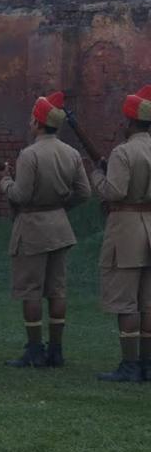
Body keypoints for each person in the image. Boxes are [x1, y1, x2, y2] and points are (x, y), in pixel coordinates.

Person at [0, 92, 91, 368]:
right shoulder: (71, 153)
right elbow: (84, 193)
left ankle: (35, 349)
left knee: (31, 290)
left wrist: (5, 182)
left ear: (37, 122)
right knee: (58, 290)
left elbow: (21, 195)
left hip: (33, 228)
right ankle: (57, 350)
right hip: (60, 226)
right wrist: (60, 208)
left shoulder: (29, 154)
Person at [91, 85, 151, 382]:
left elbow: (114, 192)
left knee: (127, 302)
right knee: (148, 301)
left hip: (126, 230)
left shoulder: (123, 151)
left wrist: (98, 176)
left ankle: (129, 365)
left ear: (129, 121)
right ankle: (147, 363)